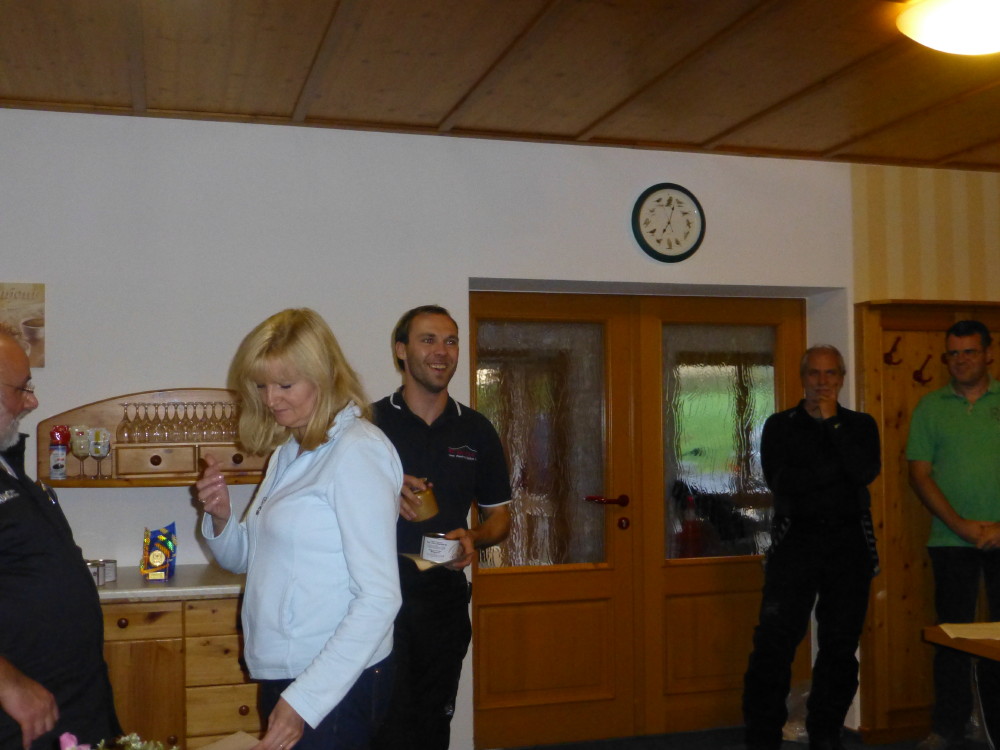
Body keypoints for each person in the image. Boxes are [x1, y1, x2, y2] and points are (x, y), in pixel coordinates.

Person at [195, 308, 403, 750]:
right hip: (287, 671)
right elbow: (246, 557)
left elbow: (381, 598)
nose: (271, 399)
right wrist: (221, 516)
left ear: (325, 376)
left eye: (285, 385)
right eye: (261, 385)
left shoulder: (357, 453)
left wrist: (304, 701)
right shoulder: (291, 450)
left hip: (332, 678)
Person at [370, 305, 511, 750]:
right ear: (401, 350)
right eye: (428, 340)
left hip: (442, 600)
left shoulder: (477, 430)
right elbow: (330, 507)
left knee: (432, 725)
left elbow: (499, 518)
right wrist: (384, 492)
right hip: (376, 599)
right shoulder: (368, 426)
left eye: (451, 341)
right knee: (384, 726)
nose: (442, 351)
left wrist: (474, 538)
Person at [742, 345, 881, 750]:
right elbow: (783, 482)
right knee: (773, 642)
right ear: (803, 378)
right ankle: (763, 736)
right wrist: (836, 471)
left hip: (849, 544)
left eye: (830, 373)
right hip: (795, 541)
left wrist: (833, 425)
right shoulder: (780, 425)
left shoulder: (860, 425)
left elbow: (863, 471)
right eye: (814, 374)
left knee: (840, 645)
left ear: (842, 378)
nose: (822, 382)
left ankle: (825, 733)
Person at [0, 333, 121, 750]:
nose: (32, 401)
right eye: (21, 389)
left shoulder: (8, 463)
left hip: (71, 707)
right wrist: (8, 683)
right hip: (21, 717)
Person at [907, 319, 1000, 750]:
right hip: (950, 541)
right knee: (952, 638)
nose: (961, 360)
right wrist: (960, 525)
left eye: (969, 351)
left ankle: (996, 728)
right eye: (954, 353)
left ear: (988, 354)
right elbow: (920, 475)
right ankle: (948, 726)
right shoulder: (930, 408)